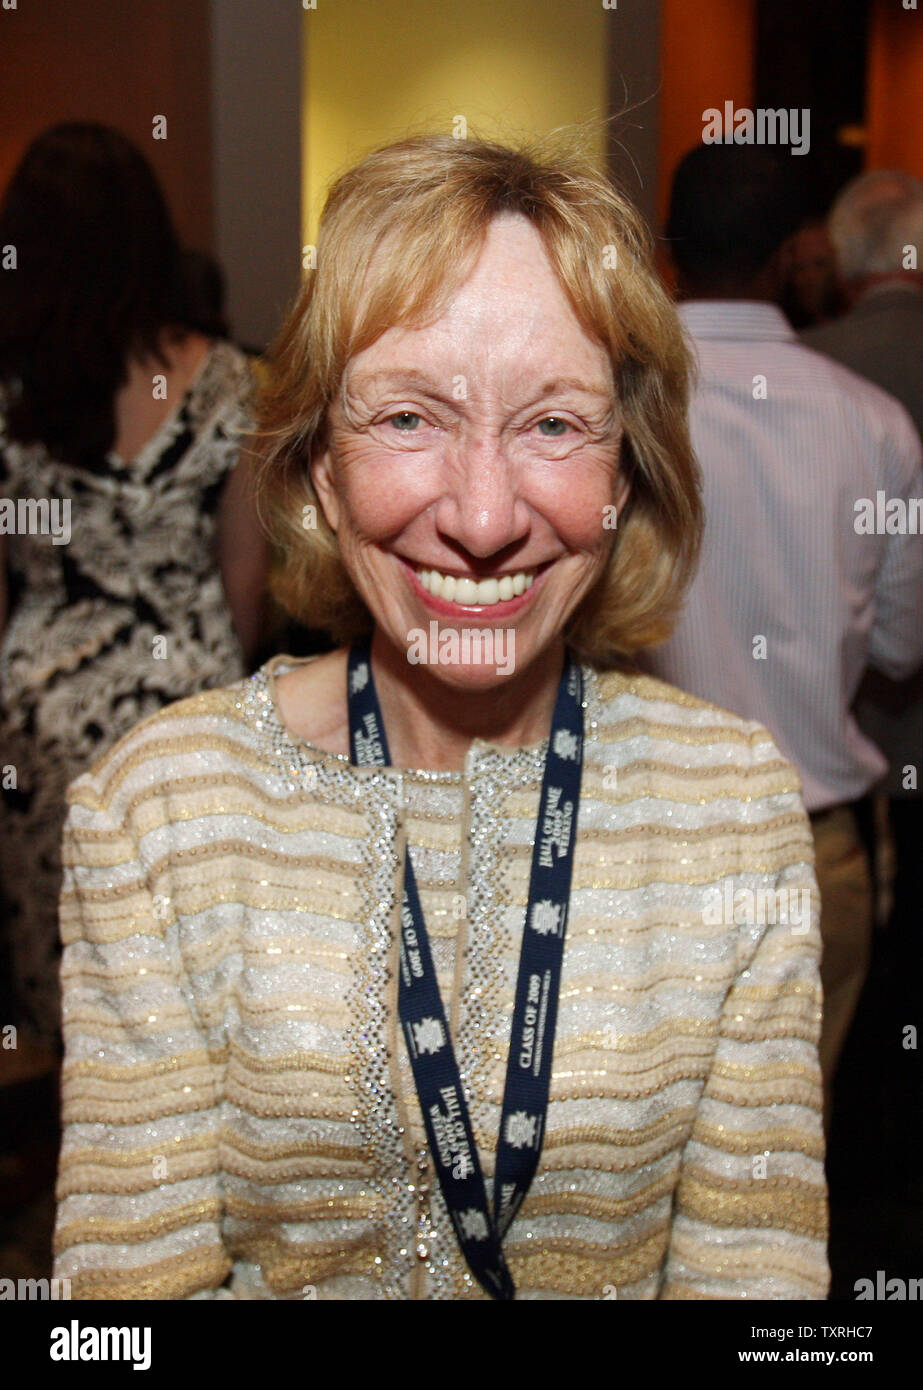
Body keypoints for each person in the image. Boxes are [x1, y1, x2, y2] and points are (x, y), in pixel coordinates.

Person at [53, 133, 828, 1301]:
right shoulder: (157, 814)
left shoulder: (730, 811)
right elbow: (119, 1316)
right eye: (408, 418)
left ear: (624, 473)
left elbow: (756, 1294)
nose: (479, 515)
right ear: (318, 464)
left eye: (553, 425)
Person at [643, 144, 923, 1132]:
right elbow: (899, 645)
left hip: (639, 847)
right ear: (795, 253)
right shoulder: (878, 425)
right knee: (779, 1170)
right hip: (809, 849)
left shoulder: (604, 408)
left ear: (664, 248)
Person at [0, 124, 268, 1052]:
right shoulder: (229, 381)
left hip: (38, 726)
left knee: (76, 996)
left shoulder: (15, 390)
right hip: (185, 712)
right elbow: (244, 571)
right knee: (186, 993)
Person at [802, 169, 923, 1196]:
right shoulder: (863, 409)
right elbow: (899, 638)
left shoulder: (817, 378)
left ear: (840, 261)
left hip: (850, 771)